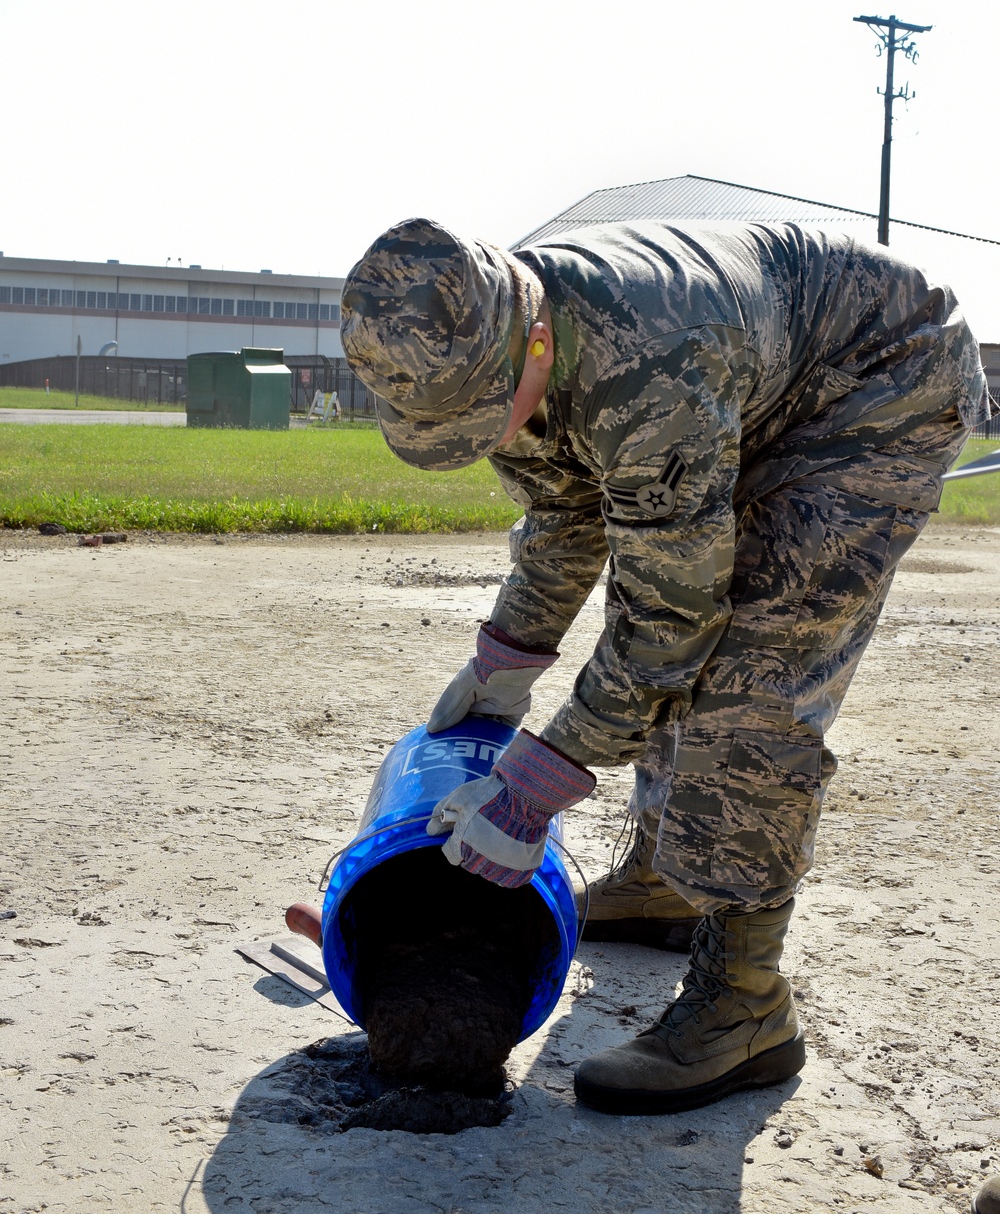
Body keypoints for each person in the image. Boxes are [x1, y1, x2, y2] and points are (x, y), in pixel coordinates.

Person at [340, 215, 986, 1115]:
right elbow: (567, 515)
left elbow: (672, 620)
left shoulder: (652, 367)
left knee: (749, 672)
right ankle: (663, 883)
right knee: (654, 605)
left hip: (874, 385)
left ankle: (745, 1006)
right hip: (751, 383)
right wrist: (505, 660)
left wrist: (535, 783)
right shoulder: (509, 346)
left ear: (530, 336)